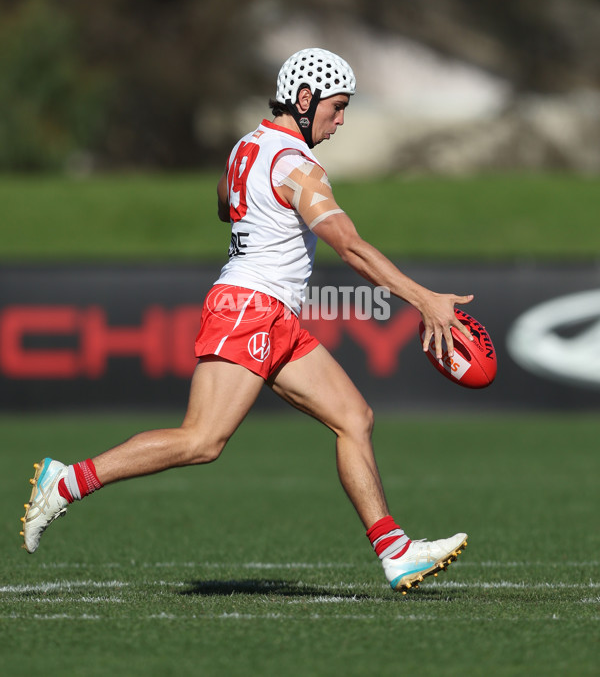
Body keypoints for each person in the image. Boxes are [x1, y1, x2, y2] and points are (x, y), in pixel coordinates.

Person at [21, 47, 473, 593]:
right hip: (250, 309)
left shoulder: (247, 148)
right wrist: (424, 299)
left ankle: (395, 552)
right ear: (305, 99)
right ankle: (66, 482)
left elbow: (222, 201)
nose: (342, 120)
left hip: (268, 310)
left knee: (354, 417)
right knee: (202, 441)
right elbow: (350, 248)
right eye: (338, 106)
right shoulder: (295, 166)